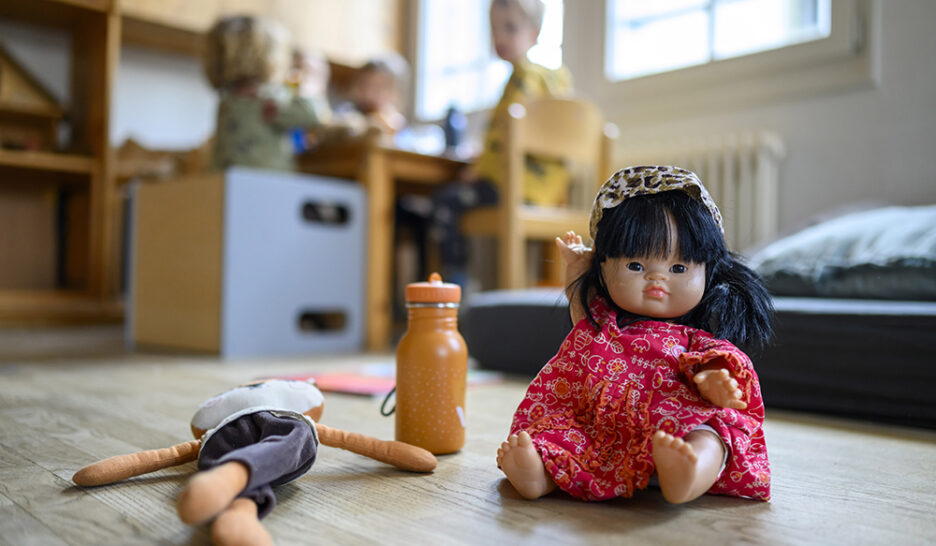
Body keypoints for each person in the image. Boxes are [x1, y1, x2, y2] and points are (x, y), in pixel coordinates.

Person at [496, 165, 774, 504]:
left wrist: (714, 381)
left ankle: (688, 473)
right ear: (603, 266)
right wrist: (576, 267)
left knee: (712, 435)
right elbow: (579, 309)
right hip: (602, 429)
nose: (657, 279)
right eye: (636, 266)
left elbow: (716, 361)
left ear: (708, 272)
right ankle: (538, 474)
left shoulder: (694, 339)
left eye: (678, 268)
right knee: (561, 432)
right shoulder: (605, 324)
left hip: (675, 425)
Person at [404, 0, 572, 287]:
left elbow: (505, 134)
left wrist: (478, 169)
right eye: (494, 29)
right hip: (548, 191)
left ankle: (457, 283)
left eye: (510, 28)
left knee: (444, 201)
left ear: (535, 33)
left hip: (513, 187)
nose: (500, 37)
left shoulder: (523, 78)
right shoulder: (559, 81)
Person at [203, 16, 330, 171]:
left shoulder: (228, 100)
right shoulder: (268, 98)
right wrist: (312, 82)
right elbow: (311, 114)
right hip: (266, 179)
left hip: (225, 178)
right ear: (273, 59)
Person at [333, 54, 409, 137]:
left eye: (378, 88)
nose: (369, 94)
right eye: (364, 86)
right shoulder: (346, 112)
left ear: (394, 92)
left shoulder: (398, 126)